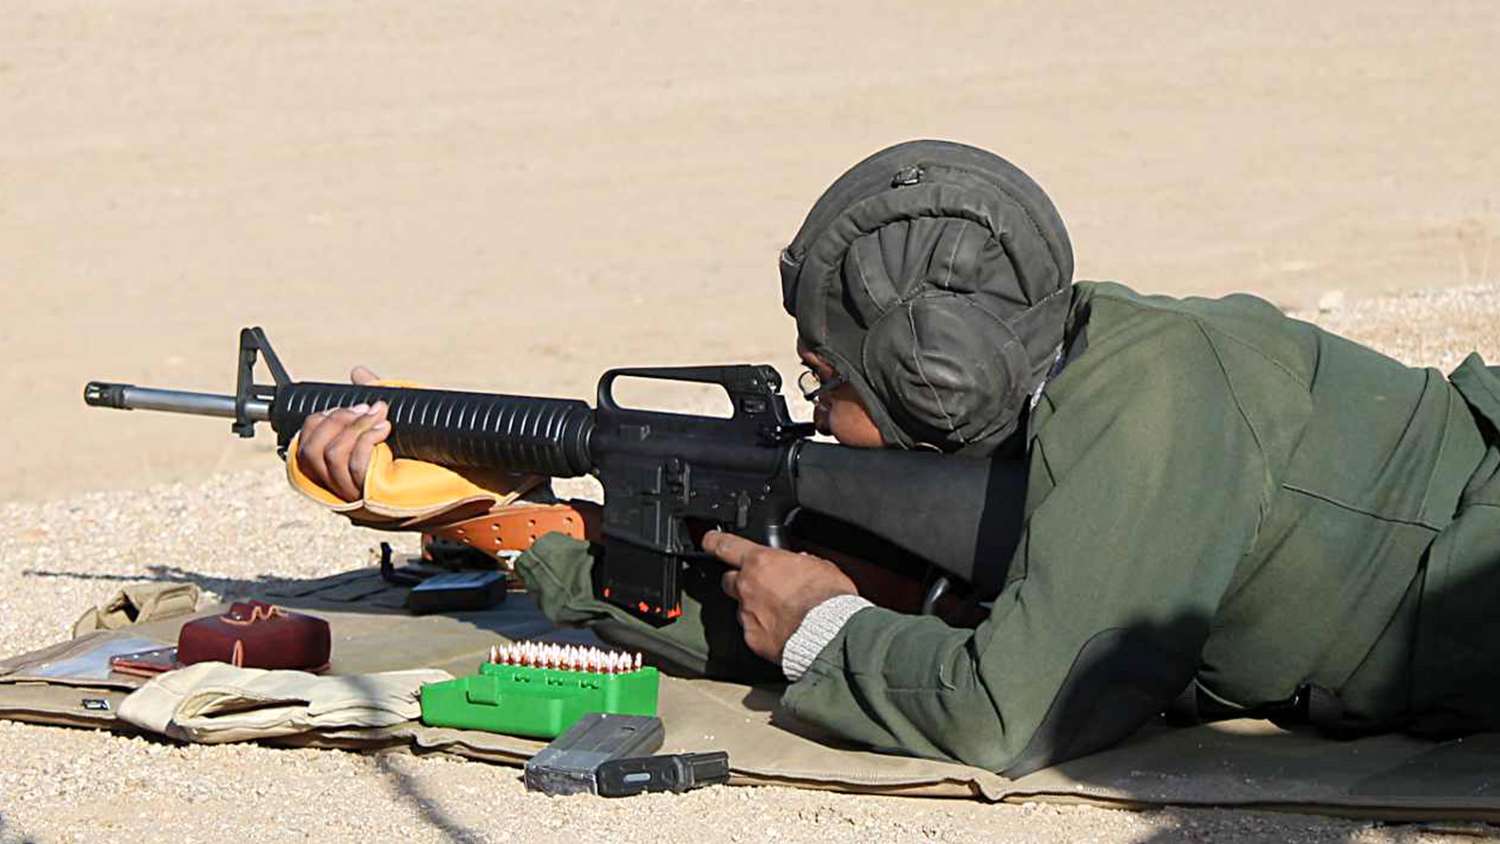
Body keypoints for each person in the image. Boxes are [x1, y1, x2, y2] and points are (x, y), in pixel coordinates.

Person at [289, 140, 1500, 775]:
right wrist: (494, 516)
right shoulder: (1041, 411)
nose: (810, 392)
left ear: (933, 367)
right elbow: (770, 610)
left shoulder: (1151, 387)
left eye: (825, 370)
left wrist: (829, 625)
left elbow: (1011, 711)